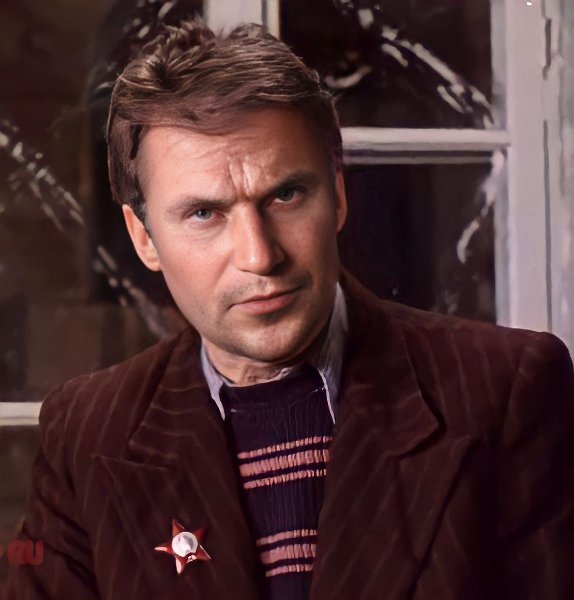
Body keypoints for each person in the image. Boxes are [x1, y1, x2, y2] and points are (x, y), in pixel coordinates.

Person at [6, 18, 574, 600]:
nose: (259, 256)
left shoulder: (504, 390)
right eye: (204, 214)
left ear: (338, 194)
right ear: (143, 238)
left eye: (285, 195)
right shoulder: (87, 434)